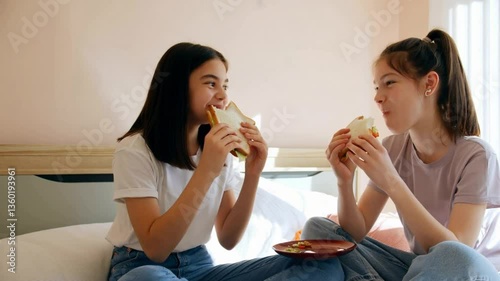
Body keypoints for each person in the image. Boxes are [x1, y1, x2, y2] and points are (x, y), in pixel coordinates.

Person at [105, 42, 344, 281]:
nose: (223, 95)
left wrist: (253, 173)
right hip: (142, 267)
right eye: (211, 83)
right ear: (177, 87)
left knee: (322, 264)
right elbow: (156, 250)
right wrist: (207, 169)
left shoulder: (219, 146)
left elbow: (228, 239)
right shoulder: (135, 151)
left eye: (225, 85)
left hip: (200, 267)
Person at [301, 29, 500, 280]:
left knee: (452, 256)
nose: (378, 97)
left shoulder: (476, 155)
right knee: (320, 230)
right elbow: (357, 231)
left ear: (429, 84)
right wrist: (344, 181)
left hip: (467, 271)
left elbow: (457, 249)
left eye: (389, 82)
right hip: (417, 268)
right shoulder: (393, 148)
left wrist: (391, 180)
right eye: (376, 86)